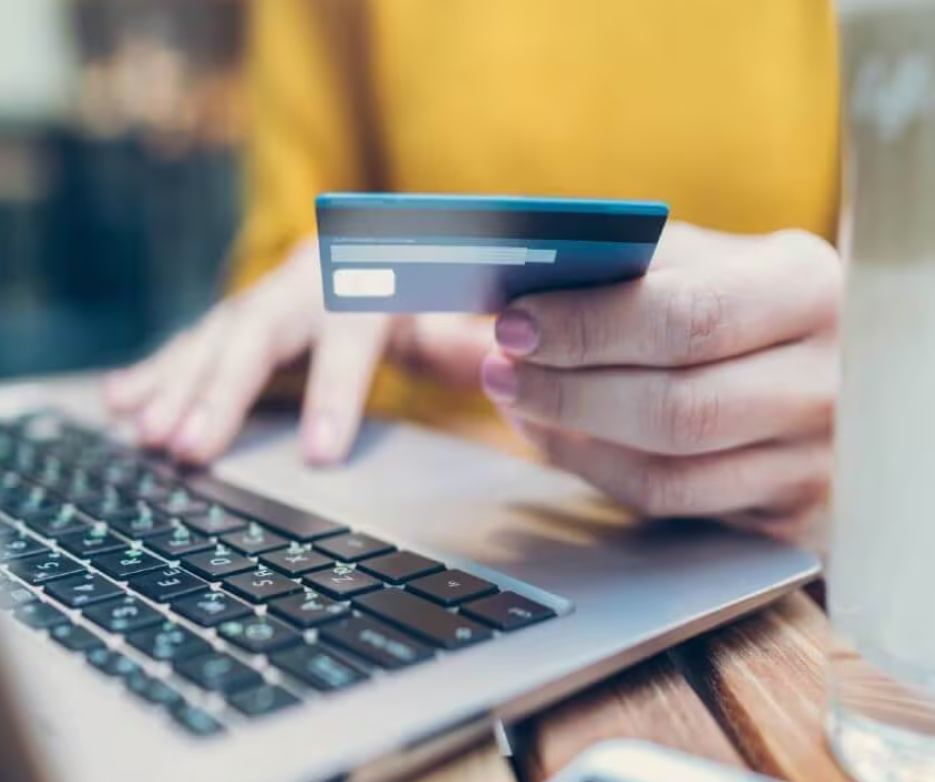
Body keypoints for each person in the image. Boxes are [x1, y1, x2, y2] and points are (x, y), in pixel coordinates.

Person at [105, 0, 843, 551]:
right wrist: (317, 288)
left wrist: (871, 405)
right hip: (413, 520)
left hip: (779, 548)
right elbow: (286, 252)